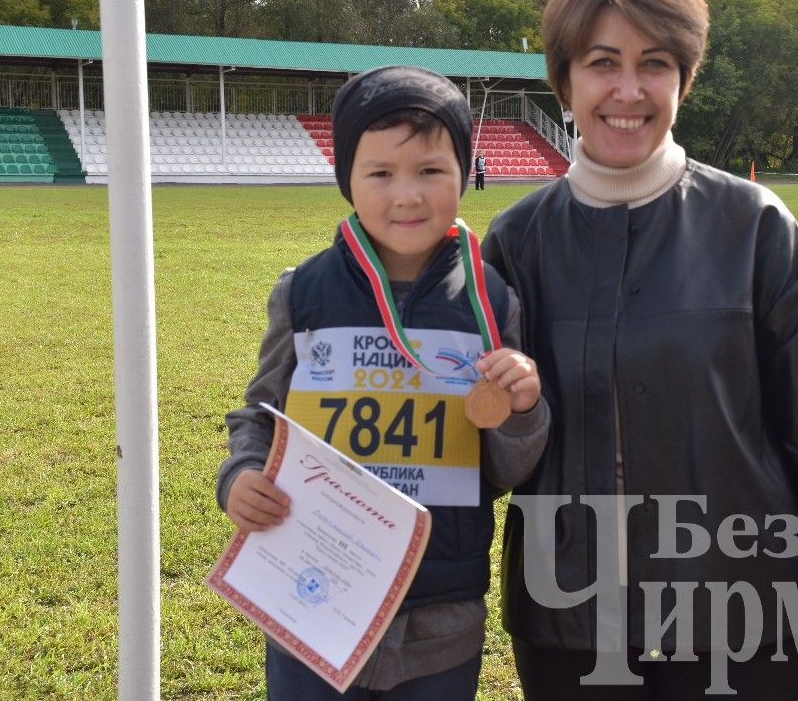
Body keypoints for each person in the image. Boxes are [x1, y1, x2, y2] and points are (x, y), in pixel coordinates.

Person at [481, 0, 798, 700]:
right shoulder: (515, 244)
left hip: (744, 621)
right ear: (565, 79)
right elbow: (473, 450)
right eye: (603, 62)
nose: (628, 90)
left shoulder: (754, 227)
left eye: (656, 63)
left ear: (685, 78)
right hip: (566, 629)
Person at [217, 65, 549, 700]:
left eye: (431, 171)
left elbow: (509, 471)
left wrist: (521, 408)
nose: (407, 196)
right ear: (348, 179)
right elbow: (261, 413)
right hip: (309, 599)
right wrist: (240, 477)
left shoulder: (490, 300)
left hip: (440, 616)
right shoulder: (304, 293)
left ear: (464, 174)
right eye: (380, 174)